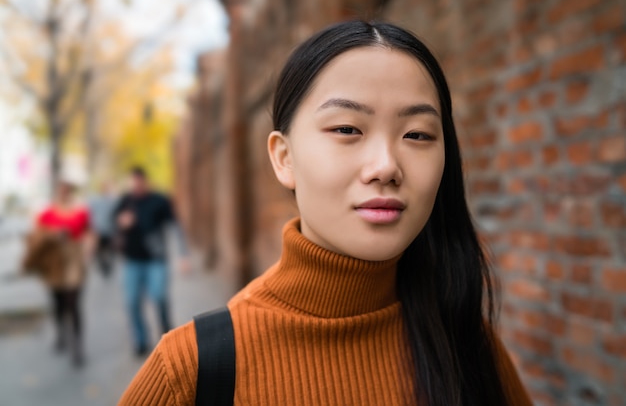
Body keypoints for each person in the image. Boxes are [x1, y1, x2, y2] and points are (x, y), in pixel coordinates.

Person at [119, 21, 531, 405]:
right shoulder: (191, 370)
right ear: (284, 158)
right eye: (347, 129)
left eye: (417, 134)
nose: (386, 165)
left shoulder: (466, 342)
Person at [113, 166, 187, 357]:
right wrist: (121, 222)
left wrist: (183, 255)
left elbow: (175, 226)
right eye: (133, 183)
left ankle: (167, 335)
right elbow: (112, 224)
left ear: (145, 181)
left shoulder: (159, 201)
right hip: (132, 261)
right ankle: (140, 341)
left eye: (139, 182)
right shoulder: (125, 201)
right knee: (132, 302)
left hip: (156, 259)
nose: (136, 186)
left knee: (159, 297)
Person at [22, 181, 91, 367]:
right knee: (58, 301)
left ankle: (77, 345)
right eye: (61, 190)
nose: (64, 193)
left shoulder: (80, 212)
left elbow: (89, 233)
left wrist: (89, 247)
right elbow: (36, 234)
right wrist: (54, 233)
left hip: (73, 258)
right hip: (54, 261)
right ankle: (61, 332)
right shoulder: (47, 213)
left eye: (66, 190)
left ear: (71, 192)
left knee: (73, 301)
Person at [88, 182, 118, 278]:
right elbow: (90, 214)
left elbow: (116, 215)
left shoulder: (113, 201)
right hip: (99, 231)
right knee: (99, 251)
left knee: (110, 250)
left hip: (110, 231)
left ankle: (108, 265)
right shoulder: (95, 201)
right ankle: (103, 265)